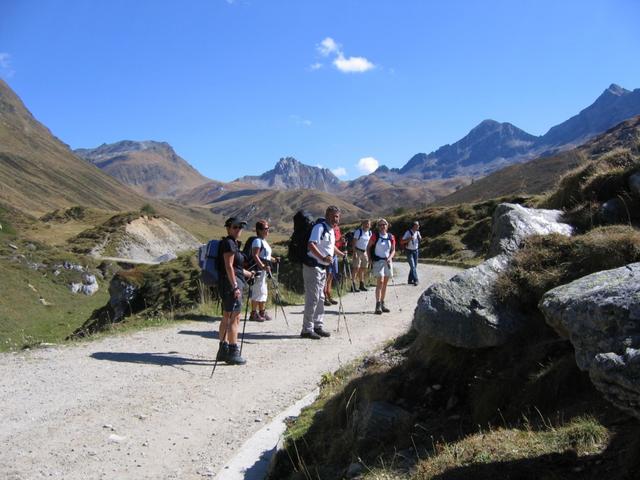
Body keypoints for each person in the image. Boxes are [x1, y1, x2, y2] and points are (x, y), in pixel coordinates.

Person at [301, 205, 345, 339]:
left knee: (320, 298)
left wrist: (341, 254)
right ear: (327, 215)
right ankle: (306, 330)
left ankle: (317, 326)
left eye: (337, 216)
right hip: (313, 266)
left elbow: (330, 247)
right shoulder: (319, 228)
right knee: (313, 298)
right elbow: (311, 245)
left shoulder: (331, 230)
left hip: (322, 268)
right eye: (332, 216)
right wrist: (323, 257)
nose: (335, 219)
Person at [217, 217, 255, 365]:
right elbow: (229, 266)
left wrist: (249, 274)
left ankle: (223, 349)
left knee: (227, 316)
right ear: (228, 228)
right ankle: (233, 352)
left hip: (228, 284)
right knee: (234, 318)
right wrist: (235, 286)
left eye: (240, 227)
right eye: (235, 227)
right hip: (230, 285)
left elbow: (237, 268)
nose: (238, 229)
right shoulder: (229, 243)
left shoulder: (232, 243)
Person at [249, 220, 279, 321]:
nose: (267, 230)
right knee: (258, 290)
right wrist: (262, 266)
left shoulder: (263, 241)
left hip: (264, 269)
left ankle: (261, 312)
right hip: (258, 270)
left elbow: (266, 256)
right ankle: (253, 313)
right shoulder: (257, 241)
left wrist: (274, 259)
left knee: (263, 290)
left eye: (268, 228)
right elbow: (255, 255)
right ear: (259, 230)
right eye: (265, 229)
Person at [367, 218, 396, 314]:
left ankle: (383, 303)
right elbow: (368, 247)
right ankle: (378, 305)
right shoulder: (375, 236)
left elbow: (393, 250)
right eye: (380, 225)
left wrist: (390, 258)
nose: (383, 226)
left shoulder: (391, 237)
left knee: (385, 284)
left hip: (387, 262)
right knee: (380, 282)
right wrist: (370, 258)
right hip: (378, 261)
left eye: (384, 225)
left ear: (387, 226)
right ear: (378, 227)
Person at [324, 224, 346, 306]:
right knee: (327, 276)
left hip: (335, 255)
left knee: (331, 276)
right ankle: (325, 297)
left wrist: (341, 241)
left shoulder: (337, 228)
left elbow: (336, 242)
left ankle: (329, 295)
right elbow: (331, 244)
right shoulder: (328, 228)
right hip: (329, 255)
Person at [351, 219, 372, 292]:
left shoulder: (370, 233)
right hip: (357, 250)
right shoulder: (358, 232)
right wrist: (354, 252)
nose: (367, 225)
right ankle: (353, 285)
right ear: (362, 224)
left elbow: (368, 244)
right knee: (356, 268)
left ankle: (361, 284)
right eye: (365, 224)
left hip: (364, 251)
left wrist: (369, 254)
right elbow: (354, 242)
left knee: (363, 268)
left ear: (370, 225)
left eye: (368, 224)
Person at [401, 221, 422, 286]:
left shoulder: (418, 232)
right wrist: (409, 239)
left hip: (416, 251)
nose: (419, 226)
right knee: (413, 266)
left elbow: (420, 239)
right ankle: (416, 280)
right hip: (409, 251)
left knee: (414, 266)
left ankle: (410, 280)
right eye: (417, 225)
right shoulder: (408, 232)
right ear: (414, 226)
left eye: (418, 225)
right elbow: (402, 242)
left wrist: (420, 238)